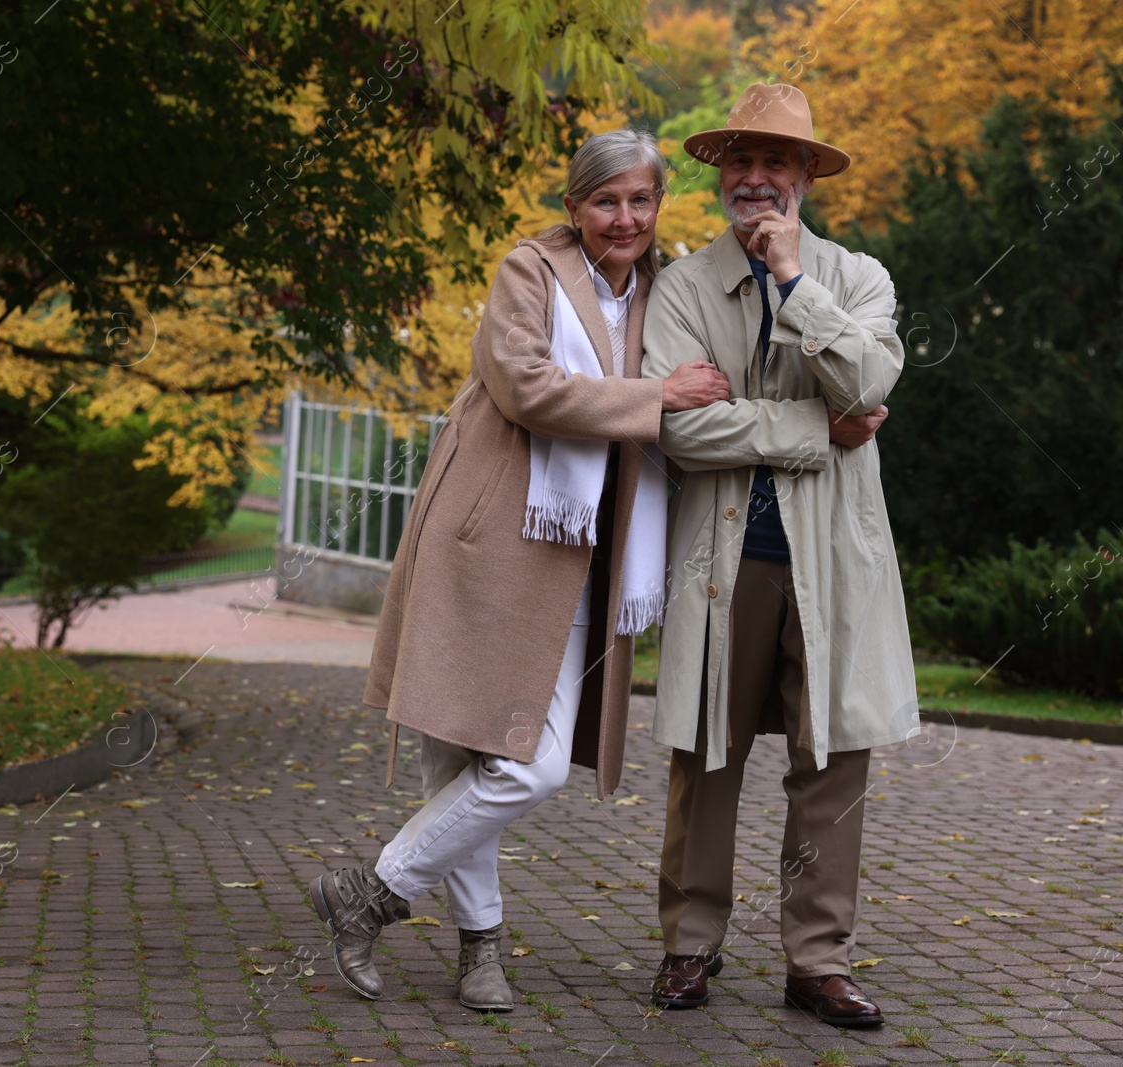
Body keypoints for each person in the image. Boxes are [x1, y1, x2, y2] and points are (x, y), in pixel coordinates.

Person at [308, 129, 732, 1013]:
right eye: (606, 200)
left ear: (659, 207)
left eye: (641, 200)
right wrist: (659, 397)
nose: (626, 218)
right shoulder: (529, 270)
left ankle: (371, 893)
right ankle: (479, 948)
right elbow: (525, 386)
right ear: (574, 207)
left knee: (514, 762)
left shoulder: (668, 291)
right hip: (486, 537)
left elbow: (702, 396)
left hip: (585, 554)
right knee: (462, 746)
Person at [639, 83, 918, 1029]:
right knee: (706, 750)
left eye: (776, 162)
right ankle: (688, 945)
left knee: (832, 759)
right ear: (721, 175)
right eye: (739, 163)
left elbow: (873, 381)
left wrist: (798, 285)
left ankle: (817, 960)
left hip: (835, 561)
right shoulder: (680, 287)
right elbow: (681, 431)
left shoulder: (861, 279)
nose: (754, 178)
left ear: (805, 175)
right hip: (721, 561)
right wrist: (815, 425)